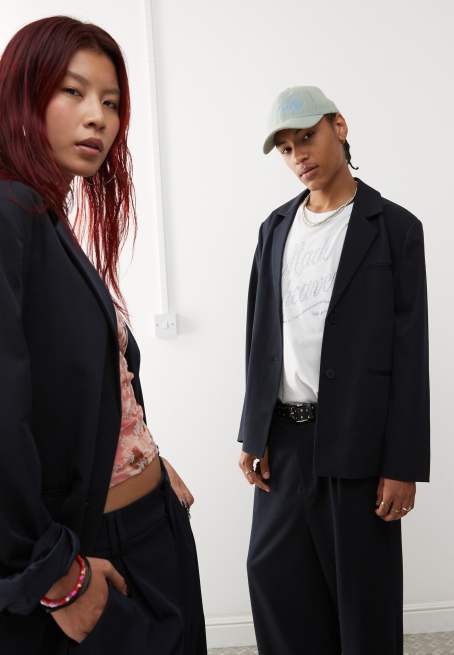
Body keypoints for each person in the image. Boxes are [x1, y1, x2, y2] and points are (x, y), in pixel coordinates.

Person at [0, 16, 206, 654]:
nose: (98, 118)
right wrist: (56, 576)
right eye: (73, 91)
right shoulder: (9, 212)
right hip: (90, 554)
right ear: (22, 94)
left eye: (111, 103)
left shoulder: (45, 215)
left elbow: (89, 391)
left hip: (149, 525)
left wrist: (148, 460)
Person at [238, 85, 430, 655]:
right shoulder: (275, 228)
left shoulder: (394, 228)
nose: (299, 155)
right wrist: (252, 430)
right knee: (276, 586)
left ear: (338, 127)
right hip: (284, 443)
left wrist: (402, 464)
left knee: (363, 605)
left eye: (307, 137)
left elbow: (410, 354)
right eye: (286, 148)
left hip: (359, 444)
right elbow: (259, 337)